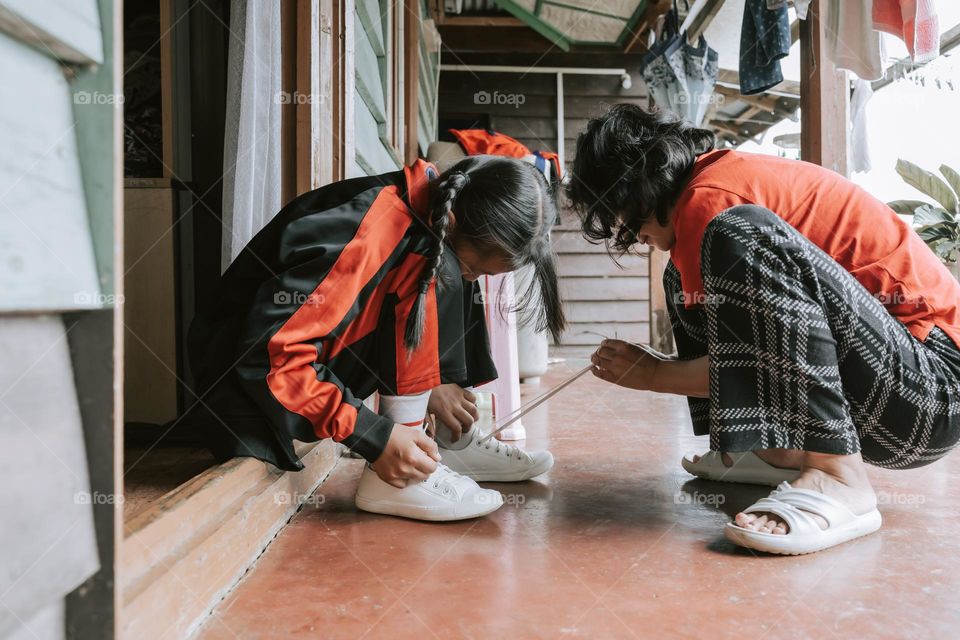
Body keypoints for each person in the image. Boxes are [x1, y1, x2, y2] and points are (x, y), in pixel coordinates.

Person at [567, 103, 960, 554]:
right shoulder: (711, 190)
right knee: (681, 275)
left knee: (737, 232)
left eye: (624, 217)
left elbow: (744, 363)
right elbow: (748, 351)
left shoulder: (713, 199)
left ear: (640, 186)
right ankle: (769, 450)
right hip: (895, 390)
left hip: (930, 396)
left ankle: (838, 475)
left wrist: (655, 375)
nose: (631, 234)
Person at [180, 155, 563, 521]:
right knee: (442, 266)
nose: (473, 278)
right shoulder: (366, 233)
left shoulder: (430, 207)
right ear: (452, 217)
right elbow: (269, 358)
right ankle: (398, 474)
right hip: (244, 393)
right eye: (476, 267)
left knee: (444, 263)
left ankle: (442, 444)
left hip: (306, 369)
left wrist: (434, 381)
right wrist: (372, 434)